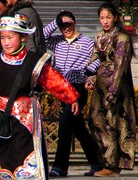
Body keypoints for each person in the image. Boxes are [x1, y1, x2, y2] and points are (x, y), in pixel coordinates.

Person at [0, 13, 80, 180]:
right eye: (2, 38)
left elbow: (53, 80)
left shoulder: (34, 61)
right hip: (1, 116)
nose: (6, 42)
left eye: (10, 37)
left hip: (26, 118)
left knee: (25, 150)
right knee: (2, 152)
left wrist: (71, 97)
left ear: (23, 38)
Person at [43, 10, 103, 177]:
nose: (66, 28)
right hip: (62, 87)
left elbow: (97, 58)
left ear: (75, 23)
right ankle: (97, 163)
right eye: (63, 25)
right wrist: (57, 21)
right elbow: (42, 35)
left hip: (78, 87)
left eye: (69, 24)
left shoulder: (86, 41)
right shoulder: (57, 41)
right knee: (78, 128)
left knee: (65, 124)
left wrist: (88, 73)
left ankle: (60, 167)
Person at [85, 2, 137, 177]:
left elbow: (120, 67)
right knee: (95, 120)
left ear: (116, 17)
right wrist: (91, 78)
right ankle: (105, 160)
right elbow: (95, 62)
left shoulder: (122, 38)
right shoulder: (99, 36)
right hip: (101, 86)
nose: (105, 21)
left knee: (114, 123)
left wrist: (113, 91)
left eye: (108, 17)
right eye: (102, 18)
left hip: (116, 87)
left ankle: (114, 164)